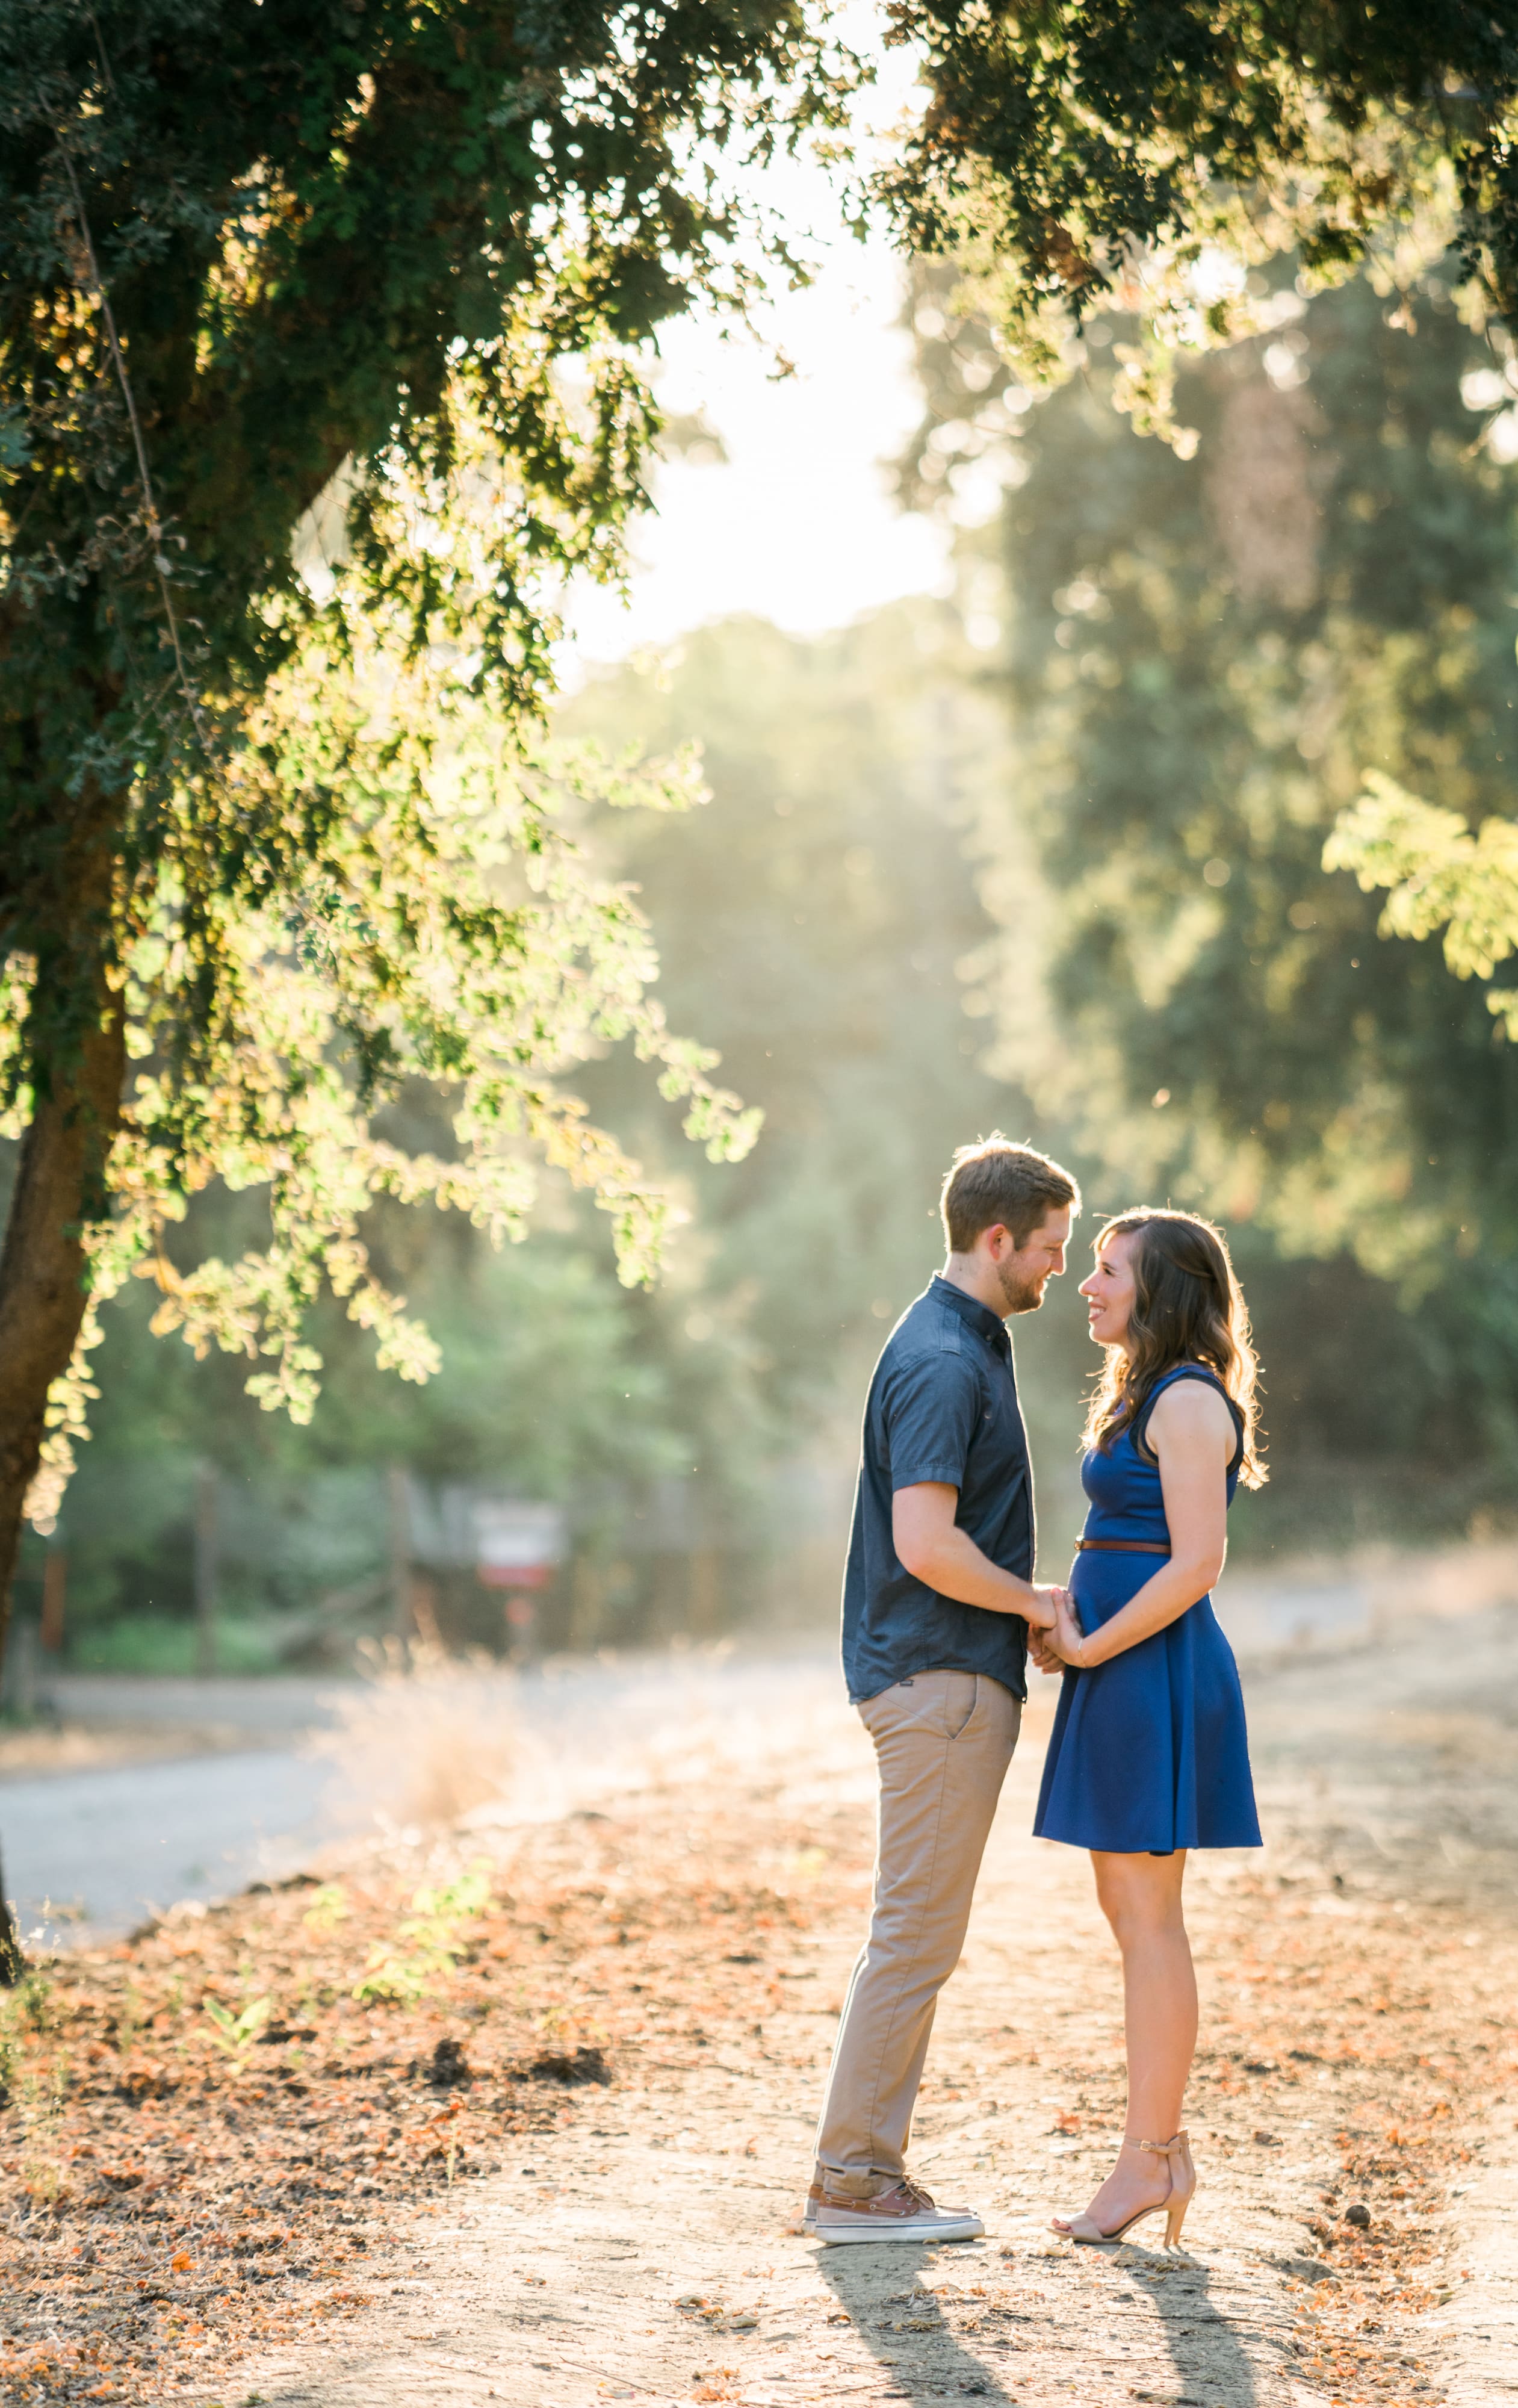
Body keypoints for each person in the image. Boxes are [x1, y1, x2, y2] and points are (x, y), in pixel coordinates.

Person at [809, 1134, 1081, 2246]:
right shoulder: (943, 1359)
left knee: (919, 1932)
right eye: (1052, 1249)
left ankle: (862, 2172)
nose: (1060, 1270)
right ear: (997, 1237)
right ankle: (853, 2182)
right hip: (937, 1684)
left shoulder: (964, 1343)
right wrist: (1032, 1604)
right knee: (915, 1935)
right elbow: (925, 1543)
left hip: (945, 1680)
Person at [1032, 1209, 1265, 2249]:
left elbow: (1195, 1563)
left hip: (1151, 1672)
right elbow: (1126, 1542)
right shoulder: (1145, 1391)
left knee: (1148, 1921)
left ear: (1161, 1289)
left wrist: (1094, 1645)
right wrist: (1069, 1626)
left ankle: (1150, 2160)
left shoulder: (1185, 1400)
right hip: (1120, 1665)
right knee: (1133, 1916)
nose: (1087, 1285)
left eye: (1109, 1270)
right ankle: (1154, 2156)